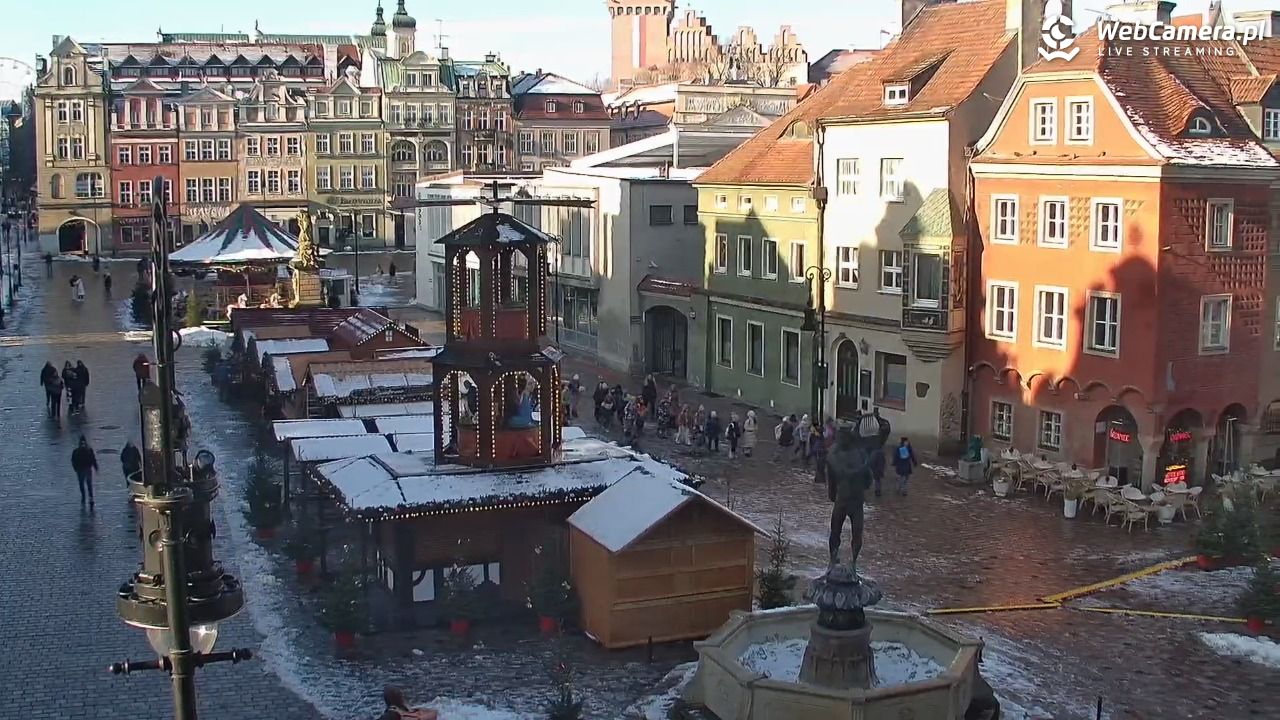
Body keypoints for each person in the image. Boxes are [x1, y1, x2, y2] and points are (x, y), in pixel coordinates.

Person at [71, 436, 99, 507]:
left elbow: (73, 461)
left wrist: (75, 468)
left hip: (82, 470)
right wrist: (95, 467)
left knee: (83, 484)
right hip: (85, 469)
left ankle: (85, 496)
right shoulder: (88, 450)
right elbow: (93, 459)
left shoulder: (76, 451)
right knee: (87, 484)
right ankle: (89, 497)